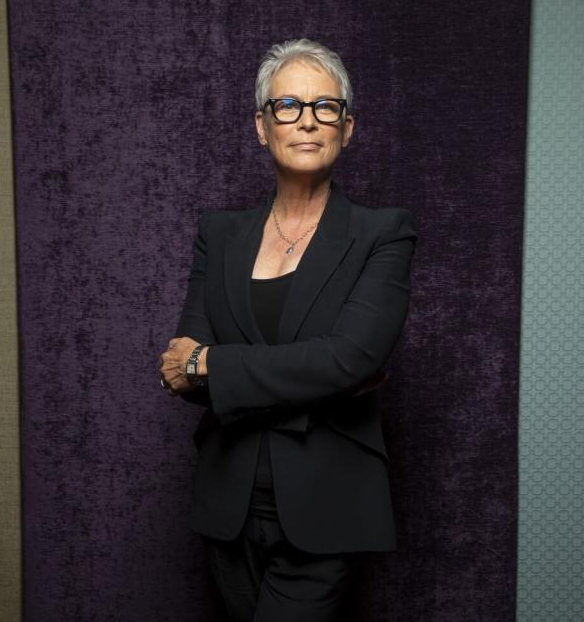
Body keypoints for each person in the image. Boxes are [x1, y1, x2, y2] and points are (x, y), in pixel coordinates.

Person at [158, 38, 417, 621]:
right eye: (288, 106)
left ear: (346, 128)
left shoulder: (383, 234)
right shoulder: (220, 235)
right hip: (227, 503)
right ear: (261, 125)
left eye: (326, 107)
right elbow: (180, 370)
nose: (307, 120)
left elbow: (349, 359)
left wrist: (216, 365)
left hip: (326, 506)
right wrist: (311, 376)